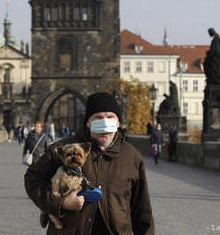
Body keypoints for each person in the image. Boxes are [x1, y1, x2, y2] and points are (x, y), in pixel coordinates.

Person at [24, 92, 154, 235]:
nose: (104, 122)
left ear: (118, 123)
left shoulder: (131, 156)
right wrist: (61, 203)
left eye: (110, 117)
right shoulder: (61, 149)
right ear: (88, 122)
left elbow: (142, 211)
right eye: (98, 117)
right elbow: (32, 180)